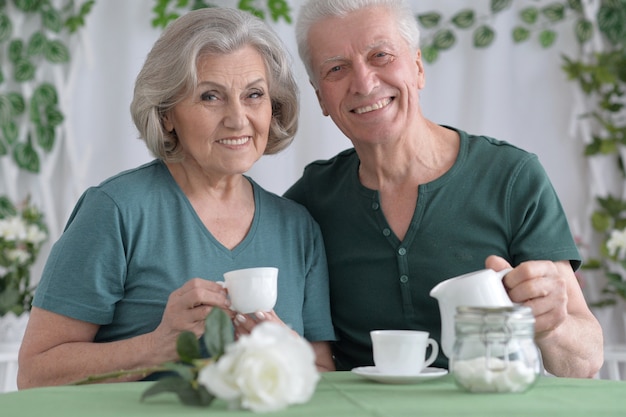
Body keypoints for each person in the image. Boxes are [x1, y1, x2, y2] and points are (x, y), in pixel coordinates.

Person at [18, 7, 335, 389]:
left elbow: (323, 378)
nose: (238, 118)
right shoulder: (116, 211)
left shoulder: (297, 226)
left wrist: (284, 348)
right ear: (167, 113)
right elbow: (35, 373)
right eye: (210, 96)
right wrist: (157, 346)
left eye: (254, 94)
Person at [284, 0, 603, 378]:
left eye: (381, 56)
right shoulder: (308, 201)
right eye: (336, 68)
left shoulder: (511, 177)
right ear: (321, 97)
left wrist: (553, 323)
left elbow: (583, 363)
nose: (364, 82)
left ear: (418, 67)